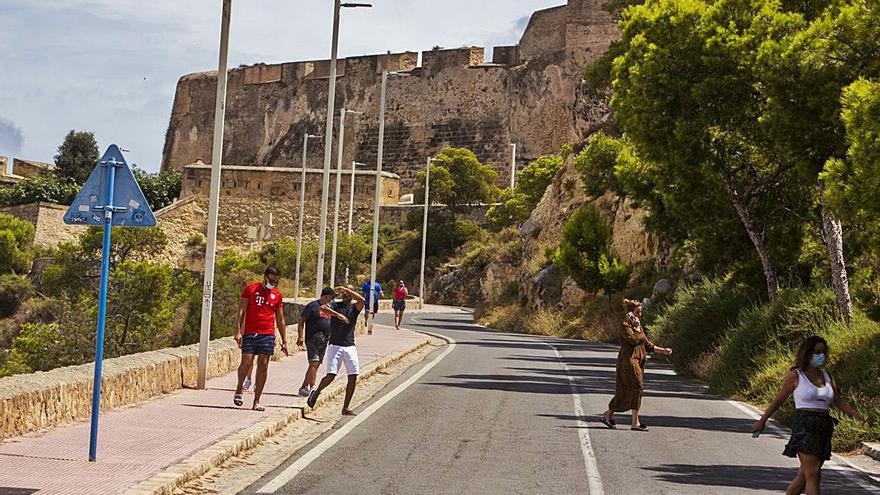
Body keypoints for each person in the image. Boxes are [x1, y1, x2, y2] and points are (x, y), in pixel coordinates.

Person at [752, 336, 864, 495]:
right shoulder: (796, 375)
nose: (821, 356)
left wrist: (854, 413)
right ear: (807, 353)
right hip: (804, 425)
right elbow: (779, 399)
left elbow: (838, 400)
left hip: (824, 426)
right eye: (817, 352)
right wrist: (762, 421)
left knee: (804, 475)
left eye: (823, 352)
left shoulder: (827, 376)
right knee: (813, 474)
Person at [600, 298, 672, 431]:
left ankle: (608, 414)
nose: (640, 315)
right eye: (638, 312)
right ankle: (635, 422)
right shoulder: (625, 325)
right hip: (628, 361)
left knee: (627, 390)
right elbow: (633, 340)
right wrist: (637, 328)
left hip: (637, 361)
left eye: (640, 312)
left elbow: (646, 344)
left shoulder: (638, 326)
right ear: (630, 313)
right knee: (637, 387)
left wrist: (662, 350)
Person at [234, 266, 288, 411]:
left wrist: (284, 340)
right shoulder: (251, 289)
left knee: (263, 365)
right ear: (264, 276)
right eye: (270, 280)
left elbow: (280, 318)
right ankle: (240, 388)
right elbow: (241, 311)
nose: (273, 283)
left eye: (275, 281)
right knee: (246, 362)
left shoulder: (277, 295)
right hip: (250, 333)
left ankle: (256, 401)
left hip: (267, 334)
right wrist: (238, 331)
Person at [307, 286, 365, 416]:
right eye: (344, 293)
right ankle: (315, 394)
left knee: (353, 375)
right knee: (331, 375)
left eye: (348, 293)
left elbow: (362, 301)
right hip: (335, 346)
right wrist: (339, 315)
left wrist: (347, 289)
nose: (346, 295)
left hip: (350, 346)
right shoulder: (335, 305)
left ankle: (345, 408)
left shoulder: (354, 308)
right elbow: (322, 307)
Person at [296, 287, 336, 397]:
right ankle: (313, 388)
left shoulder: (331, 307)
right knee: (313, 362)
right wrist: (300, 336)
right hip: (312, 339)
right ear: (324, 296)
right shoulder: (312, 306)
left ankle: (303, 387)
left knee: (316, 364)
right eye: (330, 298)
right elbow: (301, 320)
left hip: (324, 340)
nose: (331, 300)